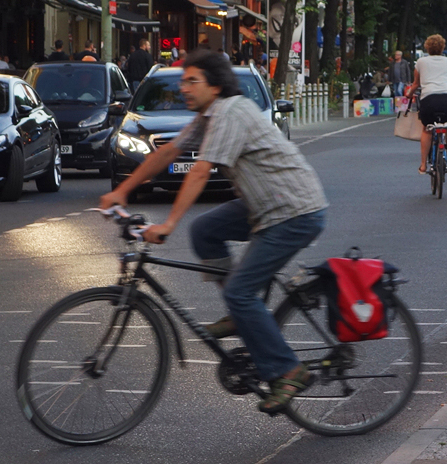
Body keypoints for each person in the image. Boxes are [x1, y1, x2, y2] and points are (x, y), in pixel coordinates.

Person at [100, 49, 327, 414]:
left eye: (192, 81)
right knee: (205, 230)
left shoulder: (231, 112)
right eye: (183, 80)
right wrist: (122, 190)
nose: (184, 88)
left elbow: (201, 170)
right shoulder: (207, 116)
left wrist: (169, 224)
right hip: (262, 205)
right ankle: (242, 314)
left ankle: (289, 370)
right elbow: (167, 154)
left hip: (292, 211)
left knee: (239, 291)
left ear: (215, 85)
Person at [407, 34, 447, 173]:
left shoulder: (421, 62)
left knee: (427, 129)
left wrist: (409, 94)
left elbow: (416, 84)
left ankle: (423, 165)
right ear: (442, 47)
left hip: (429, 100)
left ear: (427, 47)